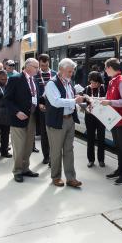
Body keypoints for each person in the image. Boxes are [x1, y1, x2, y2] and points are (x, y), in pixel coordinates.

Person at [45, 58, 84, 188]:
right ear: (60, 70)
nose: (71, 74)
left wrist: (81, 104)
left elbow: (69, 100)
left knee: (69, 150)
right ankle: (56, 177)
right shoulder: (52, 83)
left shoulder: (68, 82)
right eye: (69, 71)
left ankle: (71, 178)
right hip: (57, 121)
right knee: (56, 151)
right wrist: (74, 101)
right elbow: (56, 102)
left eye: (72, 72)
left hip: (69, 120)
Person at [3, 58, 40, 183]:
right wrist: (17, 112)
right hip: (18, 118)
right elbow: (7, 99)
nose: (38, 69)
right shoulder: (15, 79)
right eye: (36, 67)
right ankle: (17, 171)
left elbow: (34, 97)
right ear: (28, 66)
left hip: (32, 117)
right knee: (19, 147)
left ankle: (25, 168)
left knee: (29, 146)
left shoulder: (34, 80)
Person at [101, 58, 122, 185]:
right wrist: (96, 99)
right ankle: (120, 169)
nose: (104, 70)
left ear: (110, 67)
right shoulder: (112, 81)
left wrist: (109, 102)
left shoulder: (121, 81)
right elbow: (109, 98)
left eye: (105, 67)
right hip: (114, 119)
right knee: (118, 146)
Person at [34, 53, 57, 164]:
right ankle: (46, 156)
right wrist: (39, 104)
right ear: (39, 63)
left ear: (49, 63)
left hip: (53, 107)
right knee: (44, 133)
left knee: (53, 134)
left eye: (46, 65)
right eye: (42, 65)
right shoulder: (35, 76)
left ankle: (54, 156)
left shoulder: (55, 74)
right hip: (42, 107)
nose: (44, 67)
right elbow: (34, 92)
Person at [84, 71, 106, 168]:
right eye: (91, 82)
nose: (92, 85)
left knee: (101, 138)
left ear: (99, 82)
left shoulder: (104, 88)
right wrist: (85, 103)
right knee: (90, 138)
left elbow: (108, 100)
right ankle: (91, 160)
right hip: (90, 116)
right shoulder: (87, 89)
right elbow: (84, 103)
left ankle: (101, 159)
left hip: (101, 116)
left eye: (95, 83)